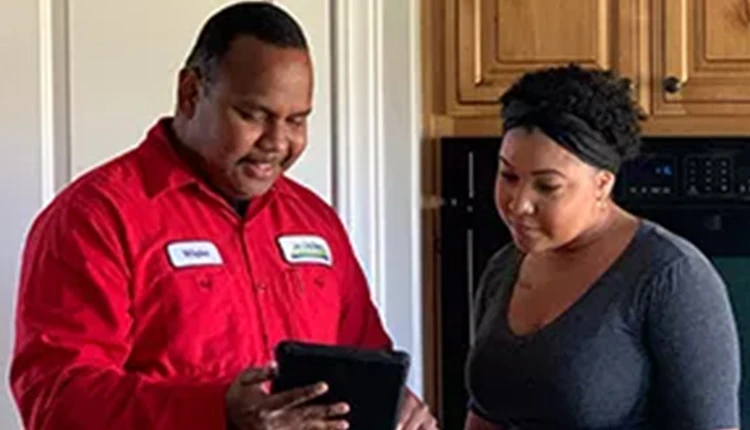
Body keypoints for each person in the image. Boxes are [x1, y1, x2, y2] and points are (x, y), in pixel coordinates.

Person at [10, 3, 437, 430]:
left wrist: (396, 405)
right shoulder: (94, 219)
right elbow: (56, 401)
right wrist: (218, 413)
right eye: (254, 115)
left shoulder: (314, 220)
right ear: (190, 93)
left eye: (297, 120)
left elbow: (365, 360)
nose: (277, 142)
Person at [464, 65, 741, 430]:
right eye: (508, 176)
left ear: (602, 185)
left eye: (547, 187)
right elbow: (486, 415)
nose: (518, 204)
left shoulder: (671, 277)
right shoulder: (504, 268)